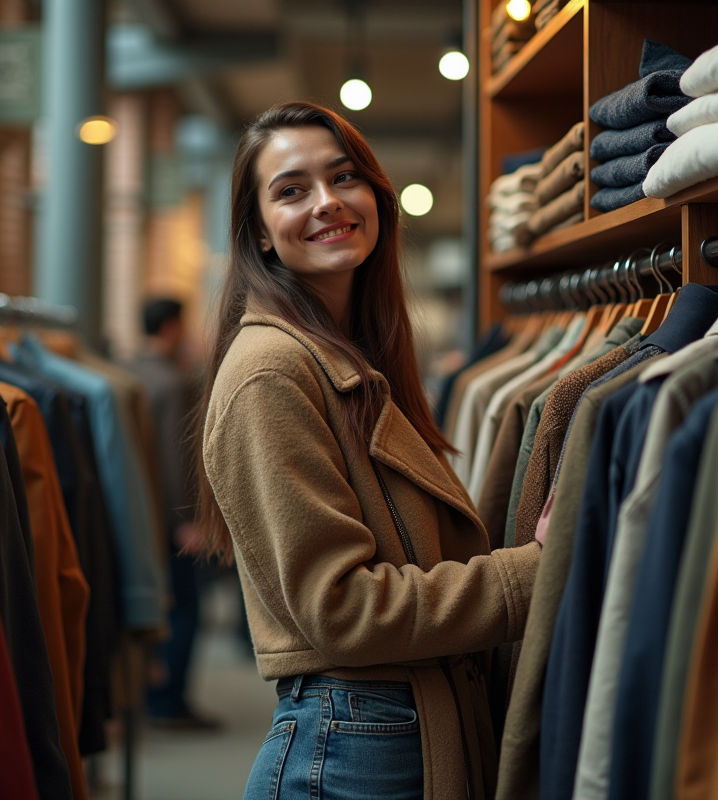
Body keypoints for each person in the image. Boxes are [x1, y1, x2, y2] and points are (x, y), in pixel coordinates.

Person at [194, 101, 542, 800]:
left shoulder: (349, 359)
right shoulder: (271, 370)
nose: (327, 203)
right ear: (260, 234)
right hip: (356, 747)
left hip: (386, 733)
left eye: (344, 177)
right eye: (291, 190)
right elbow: (343, 608)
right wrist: (542, 568)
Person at [125, 298, 217, 730]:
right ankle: (169, 700)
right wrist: (187, 518)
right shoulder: (173, 382)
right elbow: (175, 457)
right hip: (168, 518)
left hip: (132, 510)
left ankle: (142, 692)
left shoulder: (124, 371)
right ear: (171, 326)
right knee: (183, 608)